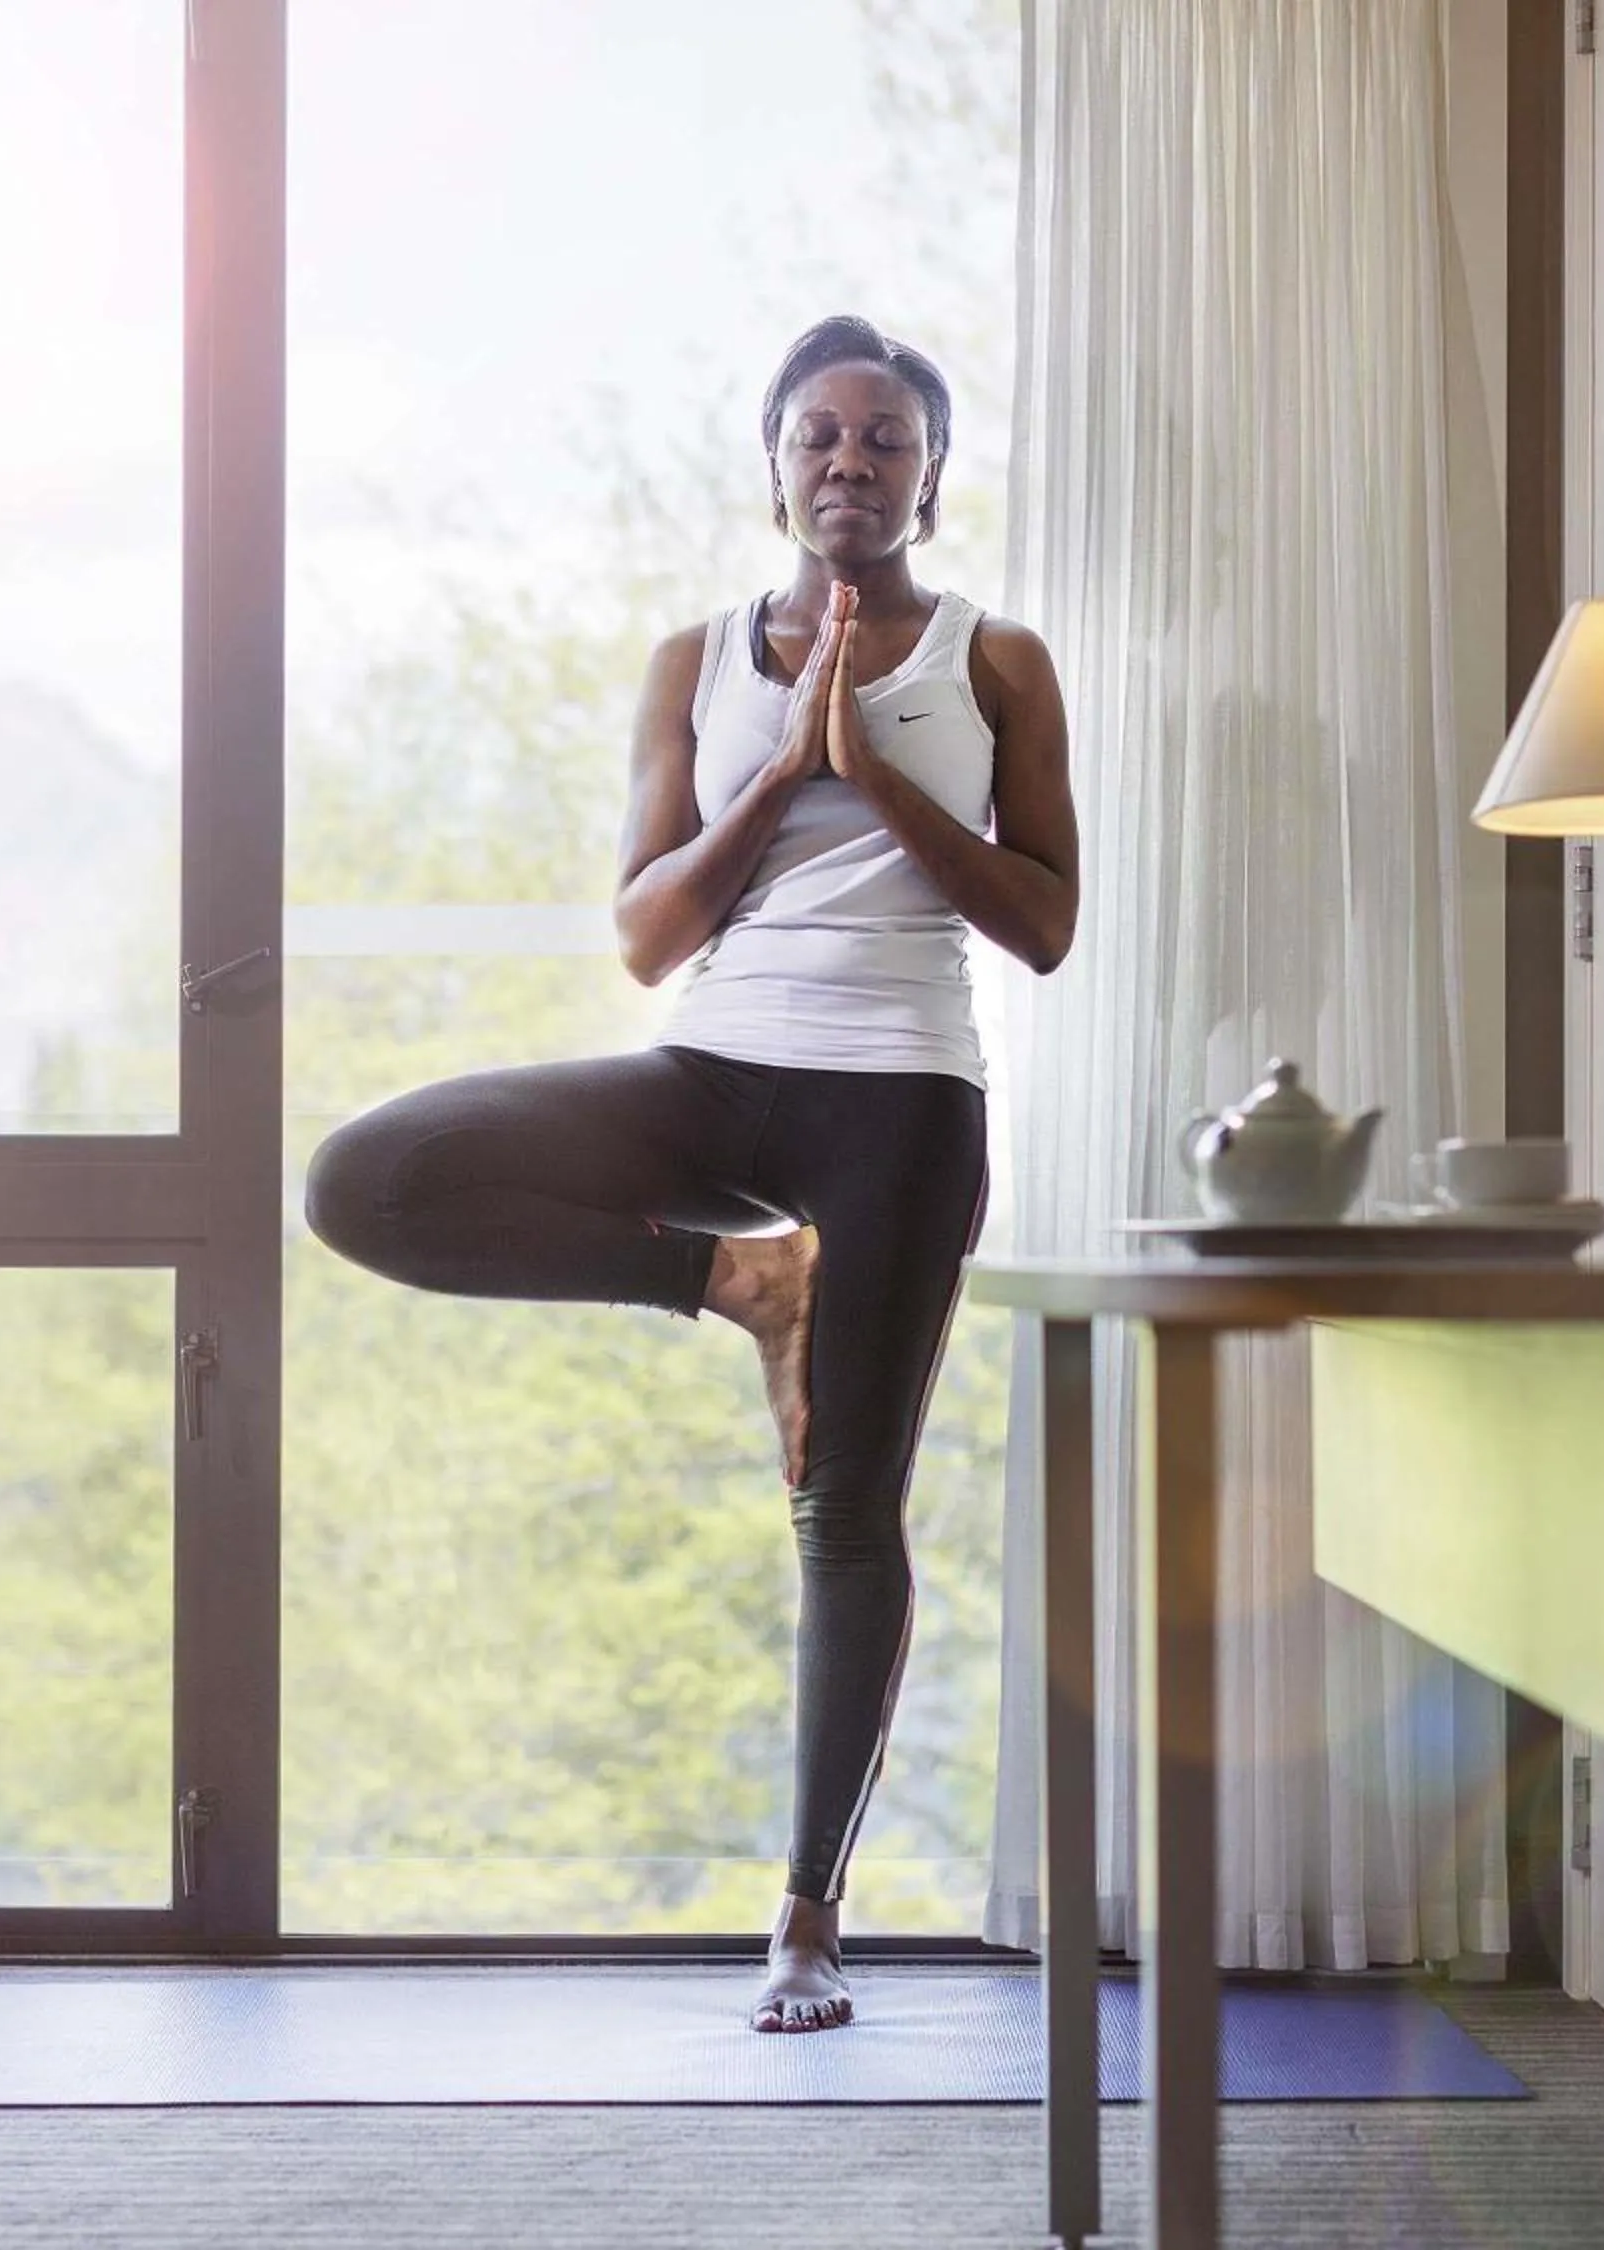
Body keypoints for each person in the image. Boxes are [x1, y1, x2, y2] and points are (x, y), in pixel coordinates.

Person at [305, 314, 1080, 2033]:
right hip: (716, 1069)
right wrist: (782, 779)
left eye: (886, 439)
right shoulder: (697, 659)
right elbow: (651, 934)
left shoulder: (996, 660)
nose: (850, 462)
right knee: (371, 1176)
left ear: (930, 477)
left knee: (846, 1506)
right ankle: (741, 1278)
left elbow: (1043, 925)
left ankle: (806, 1917)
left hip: (900, 1100)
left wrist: (877, 778)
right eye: (820, 435)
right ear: (776, 461)